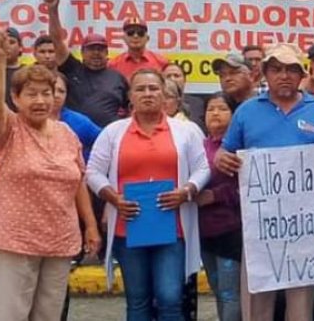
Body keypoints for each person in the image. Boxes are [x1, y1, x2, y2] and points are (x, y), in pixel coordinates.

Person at [0, 29, 101, 321]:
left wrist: (90, 225)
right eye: (31, 94)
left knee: (48, 315)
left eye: (47, 93)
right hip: (12, 239)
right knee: (10, 316)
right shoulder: (8, 129)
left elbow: (78, 181)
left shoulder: (66, 133)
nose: (41, 100)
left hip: (59, 239)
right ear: (16, 98)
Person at [214, 43, 314, 321]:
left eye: (291, 69)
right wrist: (221, 159)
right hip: (258, 227)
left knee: (300, 310)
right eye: (276, 69)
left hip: (306, 228)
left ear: (302, 74)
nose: (284, 75)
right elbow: (225, 150)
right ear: (264, 73)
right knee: (257, 308)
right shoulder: (247, 112)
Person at [87, 69, 210, 321]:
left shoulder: (186, 131)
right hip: (128, 227)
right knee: (138, 300)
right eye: (140, 89)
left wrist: (187, 191)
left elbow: (202, 168)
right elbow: (93, 172)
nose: (147, 94)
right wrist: (113, 198)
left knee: (170, 298)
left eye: (153, 88)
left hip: (172, 229)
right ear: (130, 96)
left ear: (164, 93)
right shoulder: (113, 132)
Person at [45, 0, 129, 127]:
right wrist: (52, 10)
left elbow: (130, 107)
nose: (96, 53)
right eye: (91, 49)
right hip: (72, 134)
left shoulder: (118, 78)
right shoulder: (71, 68)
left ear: (107, 53)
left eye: (100, 49)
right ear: (82, 53)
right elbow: (56, 40)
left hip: (107, 138)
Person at [198, 93, 242, 321]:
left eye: (222, 108)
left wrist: (215, 195)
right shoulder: (199, 146)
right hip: (204, 231)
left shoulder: (237, 147)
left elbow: (245, 187)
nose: (215, 113)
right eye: (211, 109)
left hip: (230, 230)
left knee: (230, 293)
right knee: (217, 289)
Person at [52, 71, 102, 161]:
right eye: (51, 90)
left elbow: (104, 142)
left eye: (61, 91)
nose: (56, 95)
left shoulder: (79, 122)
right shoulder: (24, 121)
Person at [110, 16, 168, 82]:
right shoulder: (113, 65)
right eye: (130, 33)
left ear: (147, 38)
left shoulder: (161, 62)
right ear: (124, 38)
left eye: (140, 33)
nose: (135, 36)